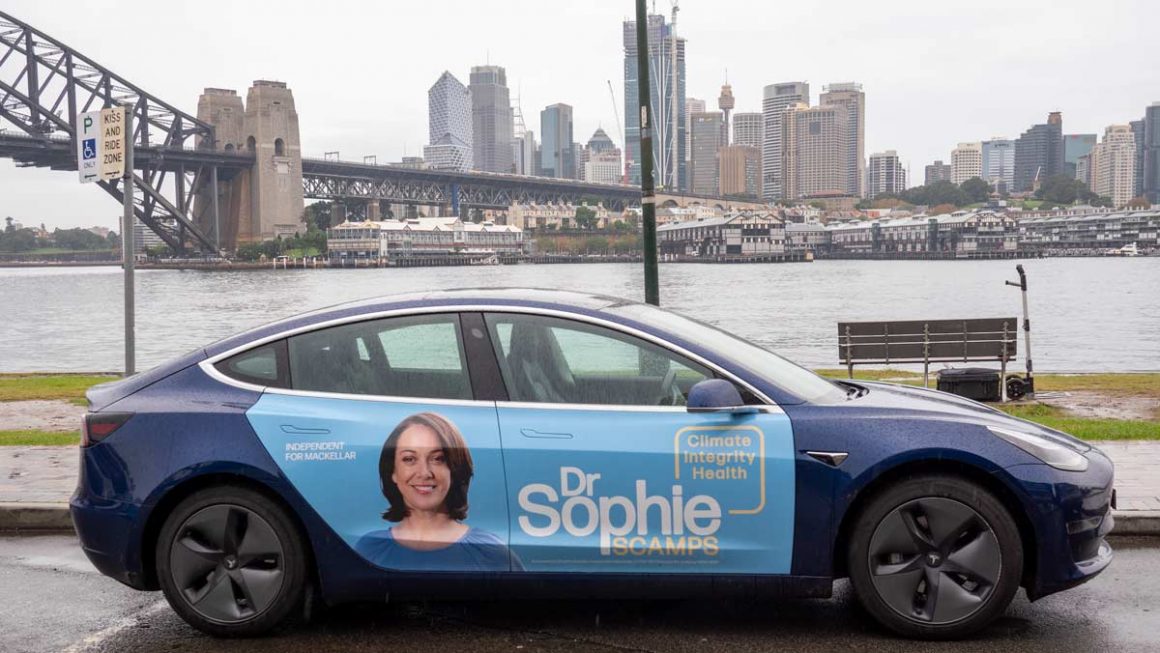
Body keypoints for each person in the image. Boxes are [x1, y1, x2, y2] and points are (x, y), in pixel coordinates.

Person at [355, 412, 520, 572]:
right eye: (409, 459)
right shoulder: (370, 550)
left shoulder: (491, 554)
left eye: (437, 459)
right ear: (393, 472)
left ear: (454, 469)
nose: (424, 473)